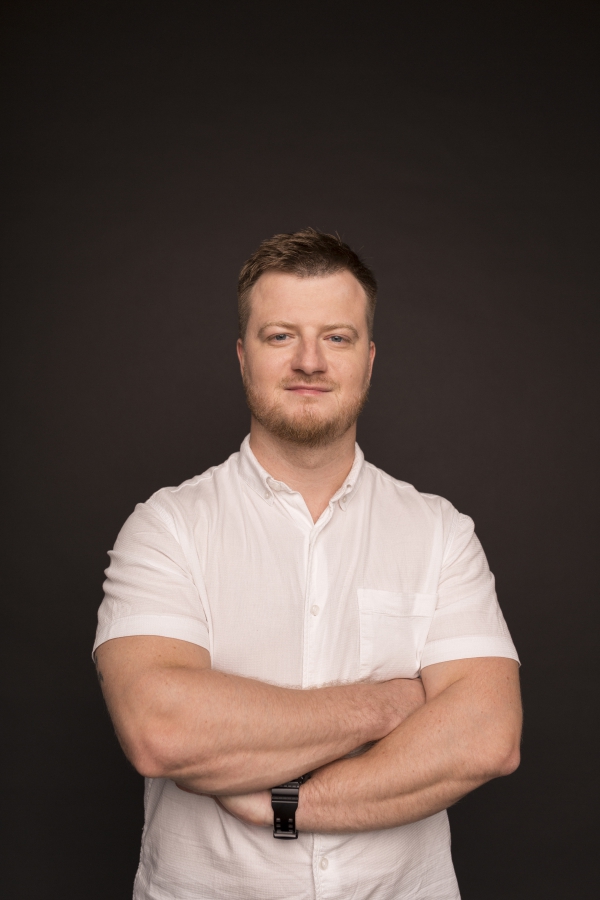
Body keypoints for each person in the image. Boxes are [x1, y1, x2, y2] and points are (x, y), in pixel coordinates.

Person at [94, 228, 522, 900]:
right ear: (243, 356)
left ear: (369, 360)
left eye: (337, 337)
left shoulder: (441, 533)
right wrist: (388, 705)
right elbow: (163, 730)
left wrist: (289, 804)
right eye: (280, 336)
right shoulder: (167, 527)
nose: (309, 361)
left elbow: (488, 737)